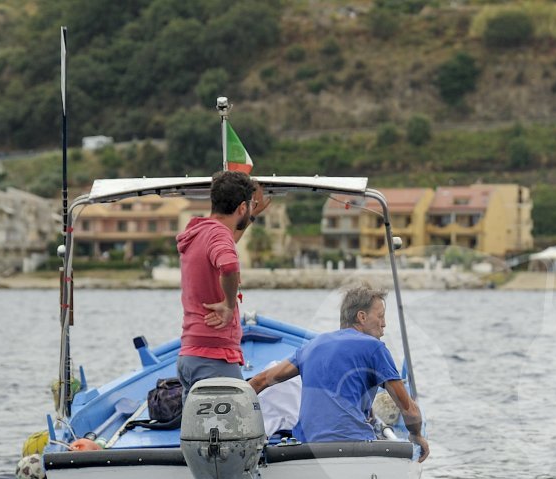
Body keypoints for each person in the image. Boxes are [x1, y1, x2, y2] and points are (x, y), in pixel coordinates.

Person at [248, 286, 429, 462]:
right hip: (353, 444)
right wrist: (416, 435)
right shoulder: (375, 348)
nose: (384, 324)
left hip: (306, 449)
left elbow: (259, 381)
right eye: (380, 316)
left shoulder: (312, 346)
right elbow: (408, 410)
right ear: (362, 317)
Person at [175, 170, 270, 399]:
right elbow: (228, 265)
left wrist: (251, 216)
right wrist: (228, 304)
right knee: (236, 419)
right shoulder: (218, 235)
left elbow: (225, 242)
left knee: (198, 423)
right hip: (213, 358)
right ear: (242, 208)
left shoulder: (200, 232)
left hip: (191, 355)